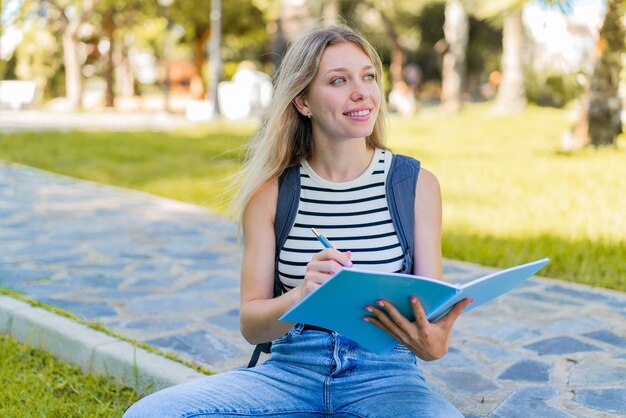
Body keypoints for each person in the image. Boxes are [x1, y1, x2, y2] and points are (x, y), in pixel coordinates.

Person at [124, 24, 471, 418]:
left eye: (368, 76)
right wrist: (302, 295)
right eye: (338, 80)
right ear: (303, 101)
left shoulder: (416, 185)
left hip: (386, 378)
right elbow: (252, 325)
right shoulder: (270, 193)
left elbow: (433, 336)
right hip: (289, 374)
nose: (361, 92)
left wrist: (432, 343)